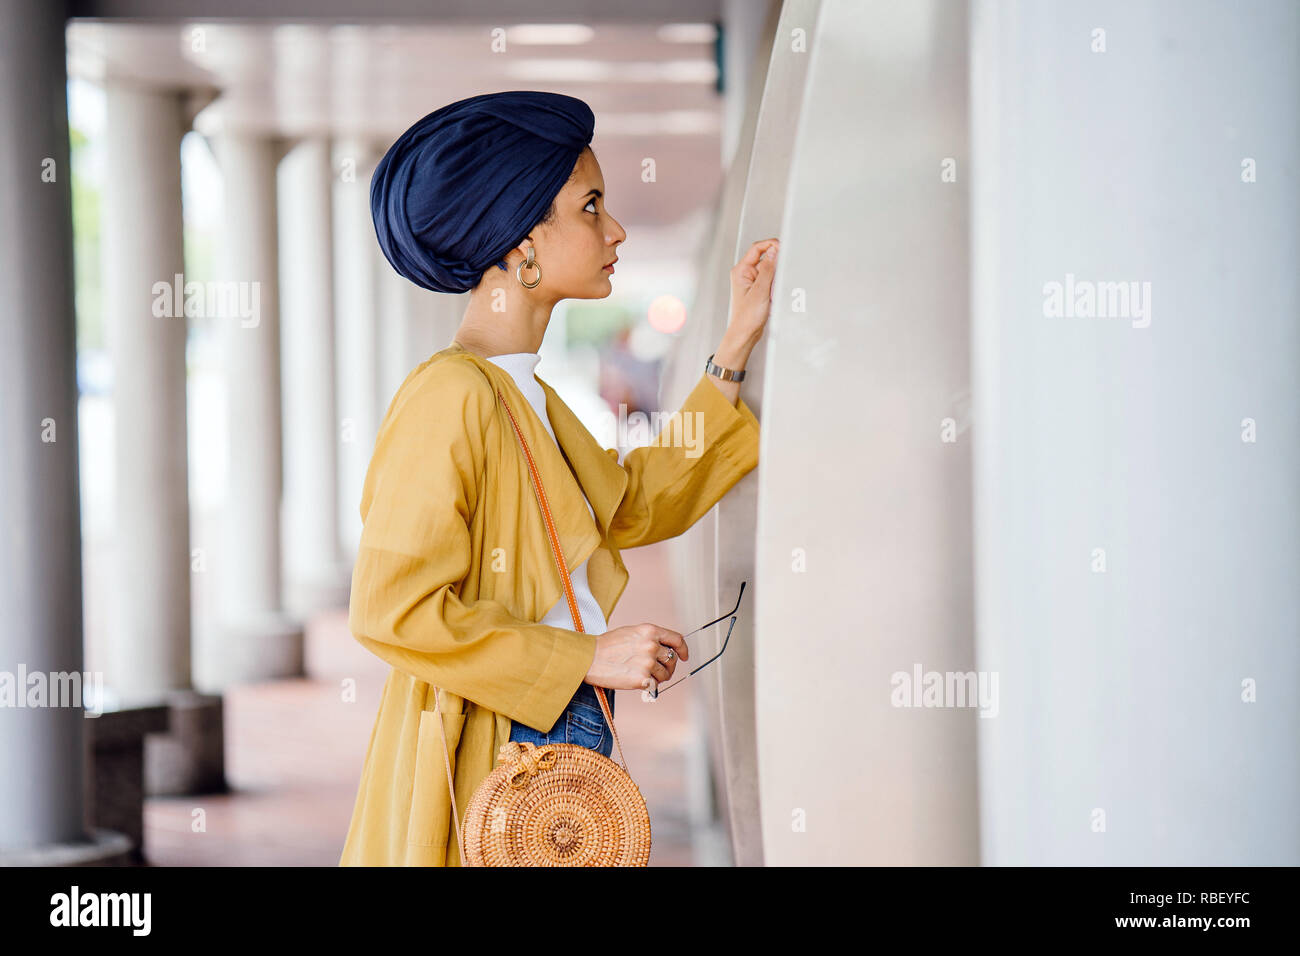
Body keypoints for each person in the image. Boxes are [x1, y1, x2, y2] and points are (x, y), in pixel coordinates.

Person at [340, 90, 778, 866]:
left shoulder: (520, 392)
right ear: (520, 243)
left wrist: (736, 342)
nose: (615, 230)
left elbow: (634, 503)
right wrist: (585, 657)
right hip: (498, 740)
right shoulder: (453, 394)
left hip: (551, 724)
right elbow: (390, 611)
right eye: (590, 206)